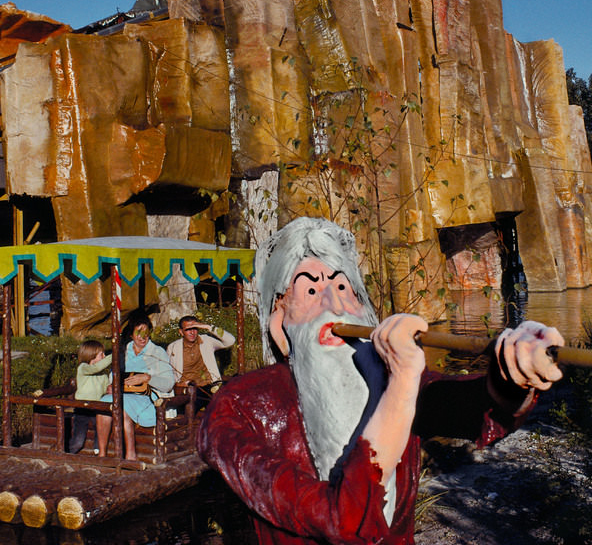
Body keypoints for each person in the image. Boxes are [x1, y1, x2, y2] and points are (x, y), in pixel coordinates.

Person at [198, 217, 565, 545]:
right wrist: (402, 386)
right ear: (280, 326)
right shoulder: (237, 409)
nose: (336, 306)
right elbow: (345, 522)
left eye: (343, 288)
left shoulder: (385, 379)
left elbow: (473, 408)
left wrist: (513, 373)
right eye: (311, 291)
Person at [109, 317, 175, 461]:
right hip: (125, 394)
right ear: (131, 335)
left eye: (146, 332)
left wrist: (148, 378)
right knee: (105, 401)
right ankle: (102, 453)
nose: (142, 337)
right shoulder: (123, 352)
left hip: (148, 399)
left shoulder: (157, 352)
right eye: (138, 333)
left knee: (122, 405)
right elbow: (112, 375)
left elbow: (168, 384)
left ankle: (130, 455)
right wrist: (111, 385)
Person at [167, 314, 235, 409]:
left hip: (209, 385)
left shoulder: (206, 341)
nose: (192, 332)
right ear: (181, 332)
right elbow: (168, 370)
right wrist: (177, 384)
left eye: (194, 328)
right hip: (188, 388)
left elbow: (230, 340)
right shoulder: (173, 347)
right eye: (187, 329)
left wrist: (207, 327)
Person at [70, 339, 115, 456]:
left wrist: (109, 389)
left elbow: (105, 387)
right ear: (91, 355)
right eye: (102, 354)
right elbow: (95, 368)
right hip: (82, 408)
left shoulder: (102, 375)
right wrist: (113, 356)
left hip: (97, 406)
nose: (104, 356)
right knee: (79, 437)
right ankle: (71, 450)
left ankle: (98, 449)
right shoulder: (83, 368)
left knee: (99, 427)